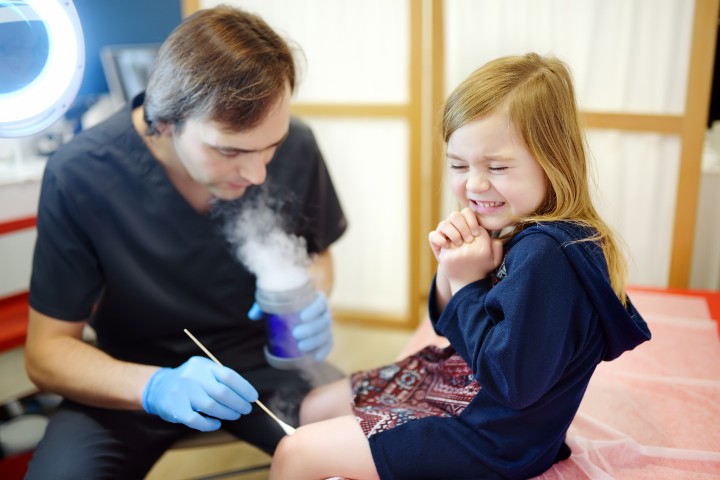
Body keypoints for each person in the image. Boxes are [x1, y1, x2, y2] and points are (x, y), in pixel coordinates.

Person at [268, 52, 652, 480]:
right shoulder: (512, 225)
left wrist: (469, 284)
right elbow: (449, 323)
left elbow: (513, 383)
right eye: (458, 165)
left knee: (295, 453)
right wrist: (452, 269)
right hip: (467, 387)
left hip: (493, 437)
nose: (474, 184)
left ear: (553, 160)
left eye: (498, 166)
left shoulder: (548, 255)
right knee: (311, 407)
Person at [24, 6, 346, 479]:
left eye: (269, 148)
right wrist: (154, 386)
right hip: (128, 374)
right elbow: (46, 353)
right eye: (229, 151)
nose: (257, 174)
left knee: (379, 452)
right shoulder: (81, 174)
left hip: (266, 364)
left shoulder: (296, 143)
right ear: (166, 121)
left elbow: (317, 254)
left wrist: (311, 292)